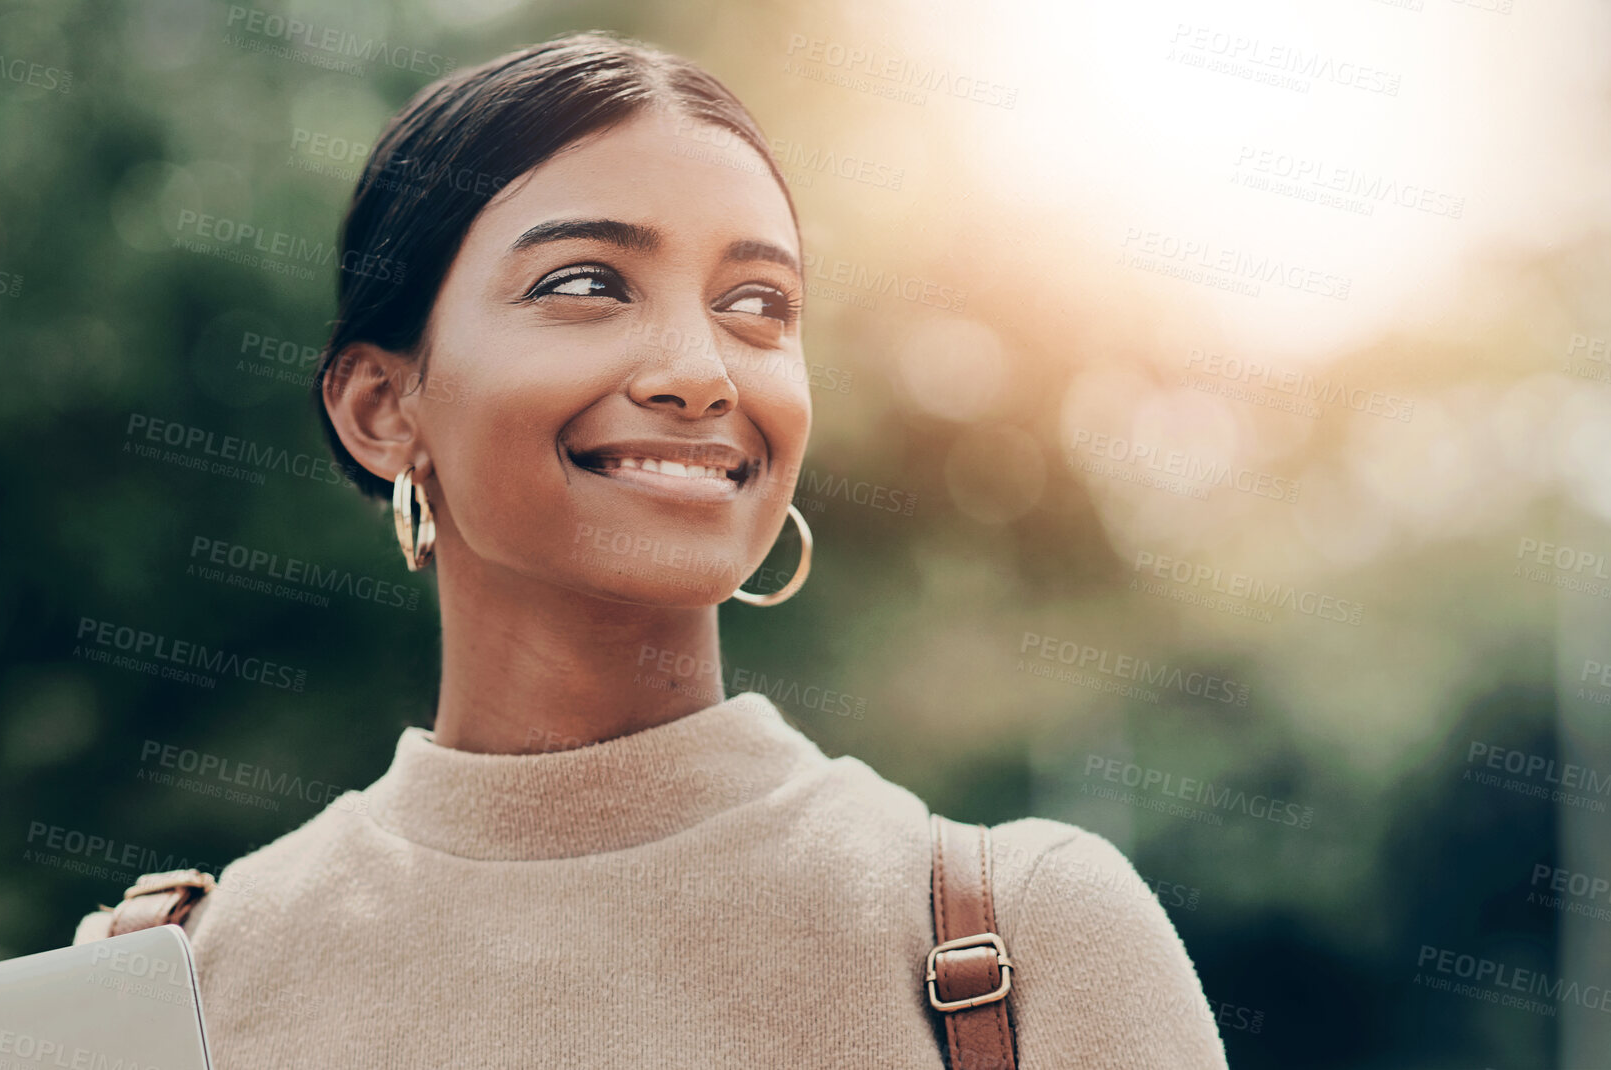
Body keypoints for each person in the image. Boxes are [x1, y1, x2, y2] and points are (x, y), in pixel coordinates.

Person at [74, 30, 1229, 1068]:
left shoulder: (1029, 936)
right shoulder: (150, 996)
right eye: (585, 283)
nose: (702, 368)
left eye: (759, 303)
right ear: (383, 406)